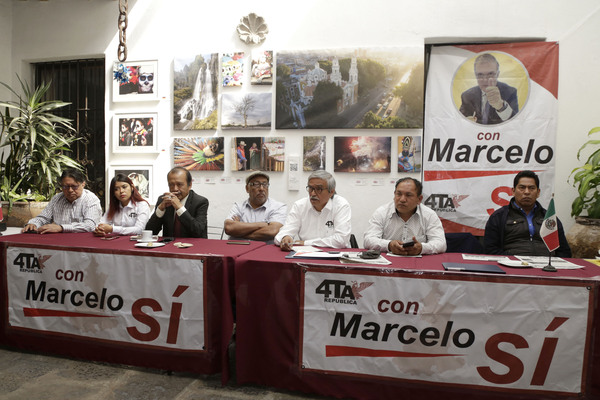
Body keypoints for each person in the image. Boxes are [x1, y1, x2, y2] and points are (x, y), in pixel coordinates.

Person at [484, 170, 571, 257]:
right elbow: (490, 250)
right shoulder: (499, 217)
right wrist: (512, 260)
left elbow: (564, 251)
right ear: (513, 191)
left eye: (531, 188)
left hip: (547, 264)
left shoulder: (549, 218)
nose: (527, 192)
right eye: (522, 187)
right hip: (512, 263)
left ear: (538, 192)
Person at [363, 178, 446, 255]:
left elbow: (441, 243)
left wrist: (422, 248)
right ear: (394, 194)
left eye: (408, 195)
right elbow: (368, 240)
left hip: (417, 262)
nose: (402, 199)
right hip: (388, 262)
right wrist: (389, 245)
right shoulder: (382, 213)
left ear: (419, 199)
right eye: (399, 194)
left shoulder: (429, 215)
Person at [274, 170, 351, 250]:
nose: (313, 194)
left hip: (335, 254)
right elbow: (280, 236)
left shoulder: (341, 205)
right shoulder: (300, 206)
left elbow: (341, 240)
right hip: (305, 253)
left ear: (331, 192)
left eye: (319, 189)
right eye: (311, 188)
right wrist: (286, 237)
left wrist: (306, 243)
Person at [22, 169, 102, 234]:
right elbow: (44, 218)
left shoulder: (91, 199)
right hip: (58, 240)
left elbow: (90, 225)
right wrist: (33, 224)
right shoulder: (57, 199)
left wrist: (61, 228)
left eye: (74, 186)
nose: (70, 190)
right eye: (65, 186)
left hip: (83, 241)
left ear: (83, 184)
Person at [145, 167, 208, 238]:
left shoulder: (200, 202)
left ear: (189, 185)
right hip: (169, 244)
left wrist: (180, 208)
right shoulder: (163, 200)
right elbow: (150, 232)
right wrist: (160, 210)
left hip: (192, 244)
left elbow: (198, 232)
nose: (175, 189)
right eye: (171, 184)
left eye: (179, 184)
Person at [224, 171, 287, 242]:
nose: (261, 189)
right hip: (239, 246)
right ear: (247, 188)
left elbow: (272, 231)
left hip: (265, 248)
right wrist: (262, 225)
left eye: (265, 184)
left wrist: (238, 231)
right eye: (256, 184)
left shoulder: (278, 207)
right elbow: (229, 228)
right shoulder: (238, 206)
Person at [459, 53, 519, 125]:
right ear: (475, 75)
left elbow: (517, 123)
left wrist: (501, 106)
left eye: (490, 74)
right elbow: (458, 122)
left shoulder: (510, 92)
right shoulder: (467, 96)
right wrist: (465, 122)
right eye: (480, 74)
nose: (485, 79)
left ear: (498, 74)